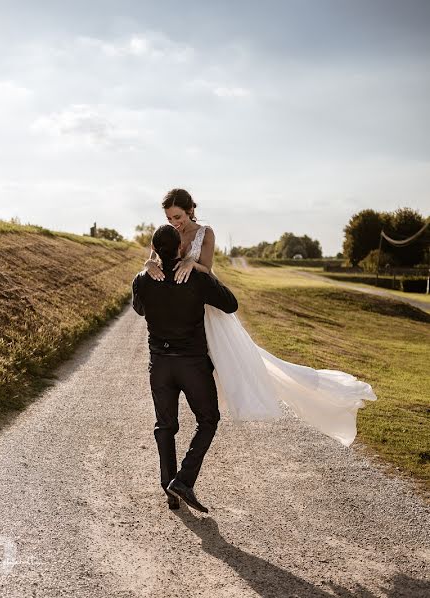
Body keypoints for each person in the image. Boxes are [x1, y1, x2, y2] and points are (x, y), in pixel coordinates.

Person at [145, 188, 377, 445]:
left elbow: (207, 268)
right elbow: (155, 259)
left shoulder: (205, 233)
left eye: (178, 217)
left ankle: (309, 392)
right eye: (169, 219)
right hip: (182, 306)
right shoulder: (165, 235)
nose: (175, 223)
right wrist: (148, 264)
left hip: (207, 303)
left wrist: (192, 264)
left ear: (189, 210)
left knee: (238, 358)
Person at [132, 224, 240, 513]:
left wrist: (148, 271)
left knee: (165, 425)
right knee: (208, 419)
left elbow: (140, 309)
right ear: (181, 248)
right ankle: (183, 480)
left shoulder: (142, 280)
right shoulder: (194, 278)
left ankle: (169, 486)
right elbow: (230, 304)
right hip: (192, 364)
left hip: (160, 365)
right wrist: (202, 271)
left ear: (154, 250)